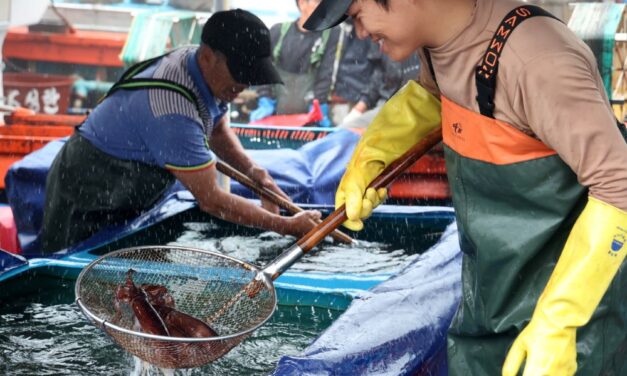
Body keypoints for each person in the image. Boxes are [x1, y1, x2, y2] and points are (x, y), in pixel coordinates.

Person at [305, 0, 627, 375]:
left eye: (358, 14)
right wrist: (375, 152)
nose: (359, 32)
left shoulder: (538, 60)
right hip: (488, 305)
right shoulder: (436, 43)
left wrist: (560, 321)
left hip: (573, 329)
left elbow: (618, 184)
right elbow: (435, 96)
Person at [41, 9, 321, 254]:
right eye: (239, 72)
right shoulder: (172, 109)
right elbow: (211, 200)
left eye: (251, 74)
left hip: (129, 185)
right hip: (88, 187)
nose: (244, 84)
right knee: (72, 269)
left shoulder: (204, 72)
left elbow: (217, 129)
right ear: (209, 56)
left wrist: (255, 174)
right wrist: (285, 225)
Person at [249, 0, 340, 127]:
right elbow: (262, 68)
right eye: (318, 2)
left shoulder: (330, 34)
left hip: (308, 116)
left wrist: (319, 105)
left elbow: (326, 73)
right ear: (302, 3)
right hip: (275, 113)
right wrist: (265, 99)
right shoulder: (278, 31)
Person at [339, 46, 420, 128]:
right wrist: (359, 109)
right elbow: (377, 78)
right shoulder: (385, 48)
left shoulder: (421, 52)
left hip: (413, 110)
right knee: (347, 128)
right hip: (385, 106)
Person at [327, 18, 374, 125]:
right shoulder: (341, 28)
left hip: (357, 100)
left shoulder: (368, 31)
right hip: (336, 98)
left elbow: (378, 70)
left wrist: (363, 103)